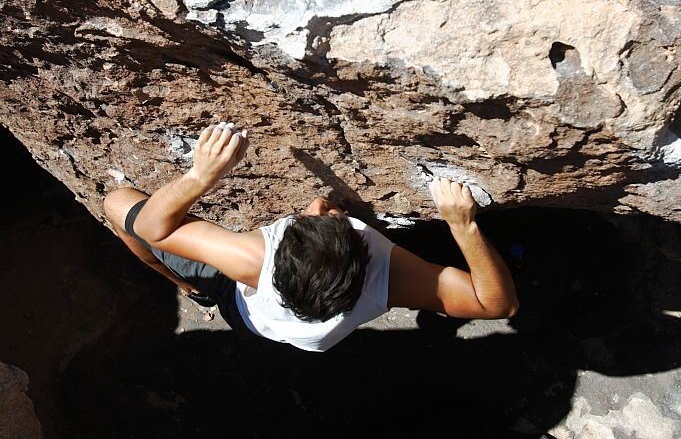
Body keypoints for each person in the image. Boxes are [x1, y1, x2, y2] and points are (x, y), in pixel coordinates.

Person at [103, 121, 518, 351]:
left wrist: (201, 175)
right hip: (294, 331)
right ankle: (190, 286)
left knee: (118, 204)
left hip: (245, 314)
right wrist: (464, 227)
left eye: (311, 220)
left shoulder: (253, 261)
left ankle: (187, 287)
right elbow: (498, 305)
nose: (318, 205)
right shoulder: (389, 279)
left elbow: (149, 226)